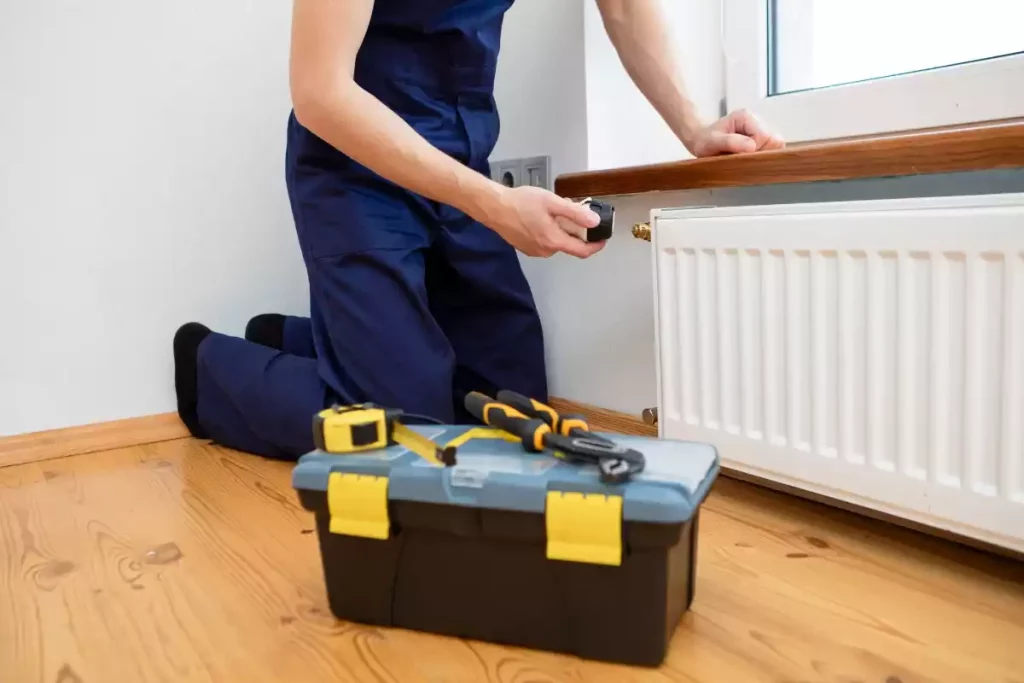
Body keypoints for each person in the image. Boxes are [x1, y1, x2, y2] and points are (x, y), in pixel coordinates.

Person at [173, 0, 784, 460]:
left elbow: (623, 5)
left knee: (515, 403)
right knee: (404, 430)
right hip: (352, 171)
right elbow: (320, 94)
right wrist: (494, 205)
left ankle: (303, 338)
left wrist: (696, 129)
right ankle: (209, 368)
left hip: (462, 162)